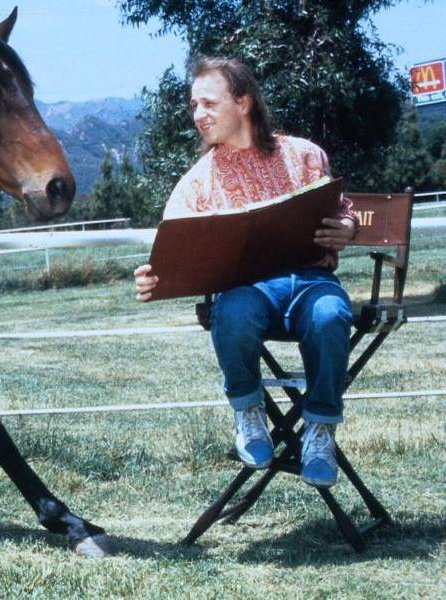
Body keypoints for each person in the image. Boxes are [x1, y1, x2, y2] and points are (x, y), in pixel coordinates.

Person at [133, 57, 357, 488]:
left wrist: (347, 227)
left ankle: (321, 429)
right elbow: (171, 253)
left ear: (244, 101)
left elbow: (343, 212)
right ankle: (249, 411)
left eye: (209, 104)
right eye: (194, 105)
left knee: (331, 316)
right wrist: (152, 278)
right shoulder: (196, 183)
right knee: (232, 312)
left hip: (312, 282)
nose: (199, 115)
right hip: (247, 291)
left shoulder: (305, 155)